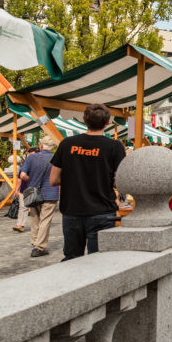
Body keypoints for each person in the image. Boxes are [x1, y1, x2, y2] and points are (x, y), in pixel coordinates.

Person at [49, 104, 126, 260]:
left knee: (71, 259)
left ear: (84, 120)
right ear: (108, 122)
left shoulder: (67, 144)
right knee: (99, 261)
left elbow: (53, 180)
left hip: (72, 211)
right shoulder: (114, 146)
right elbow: (120, 182)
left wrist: (75, 177)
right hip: (102, 212)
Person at [19, 137, 59, 257]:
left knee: (35, 220)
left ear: (41, 145)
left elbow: (22, 175)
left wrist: (32, 180)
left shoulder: (31, 157)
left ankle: (34, 243)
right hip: (50, 193)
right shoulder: (56, 158)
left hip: (33, 194)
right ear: (53, 147)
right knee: (45, 221)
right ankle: (40, 247)